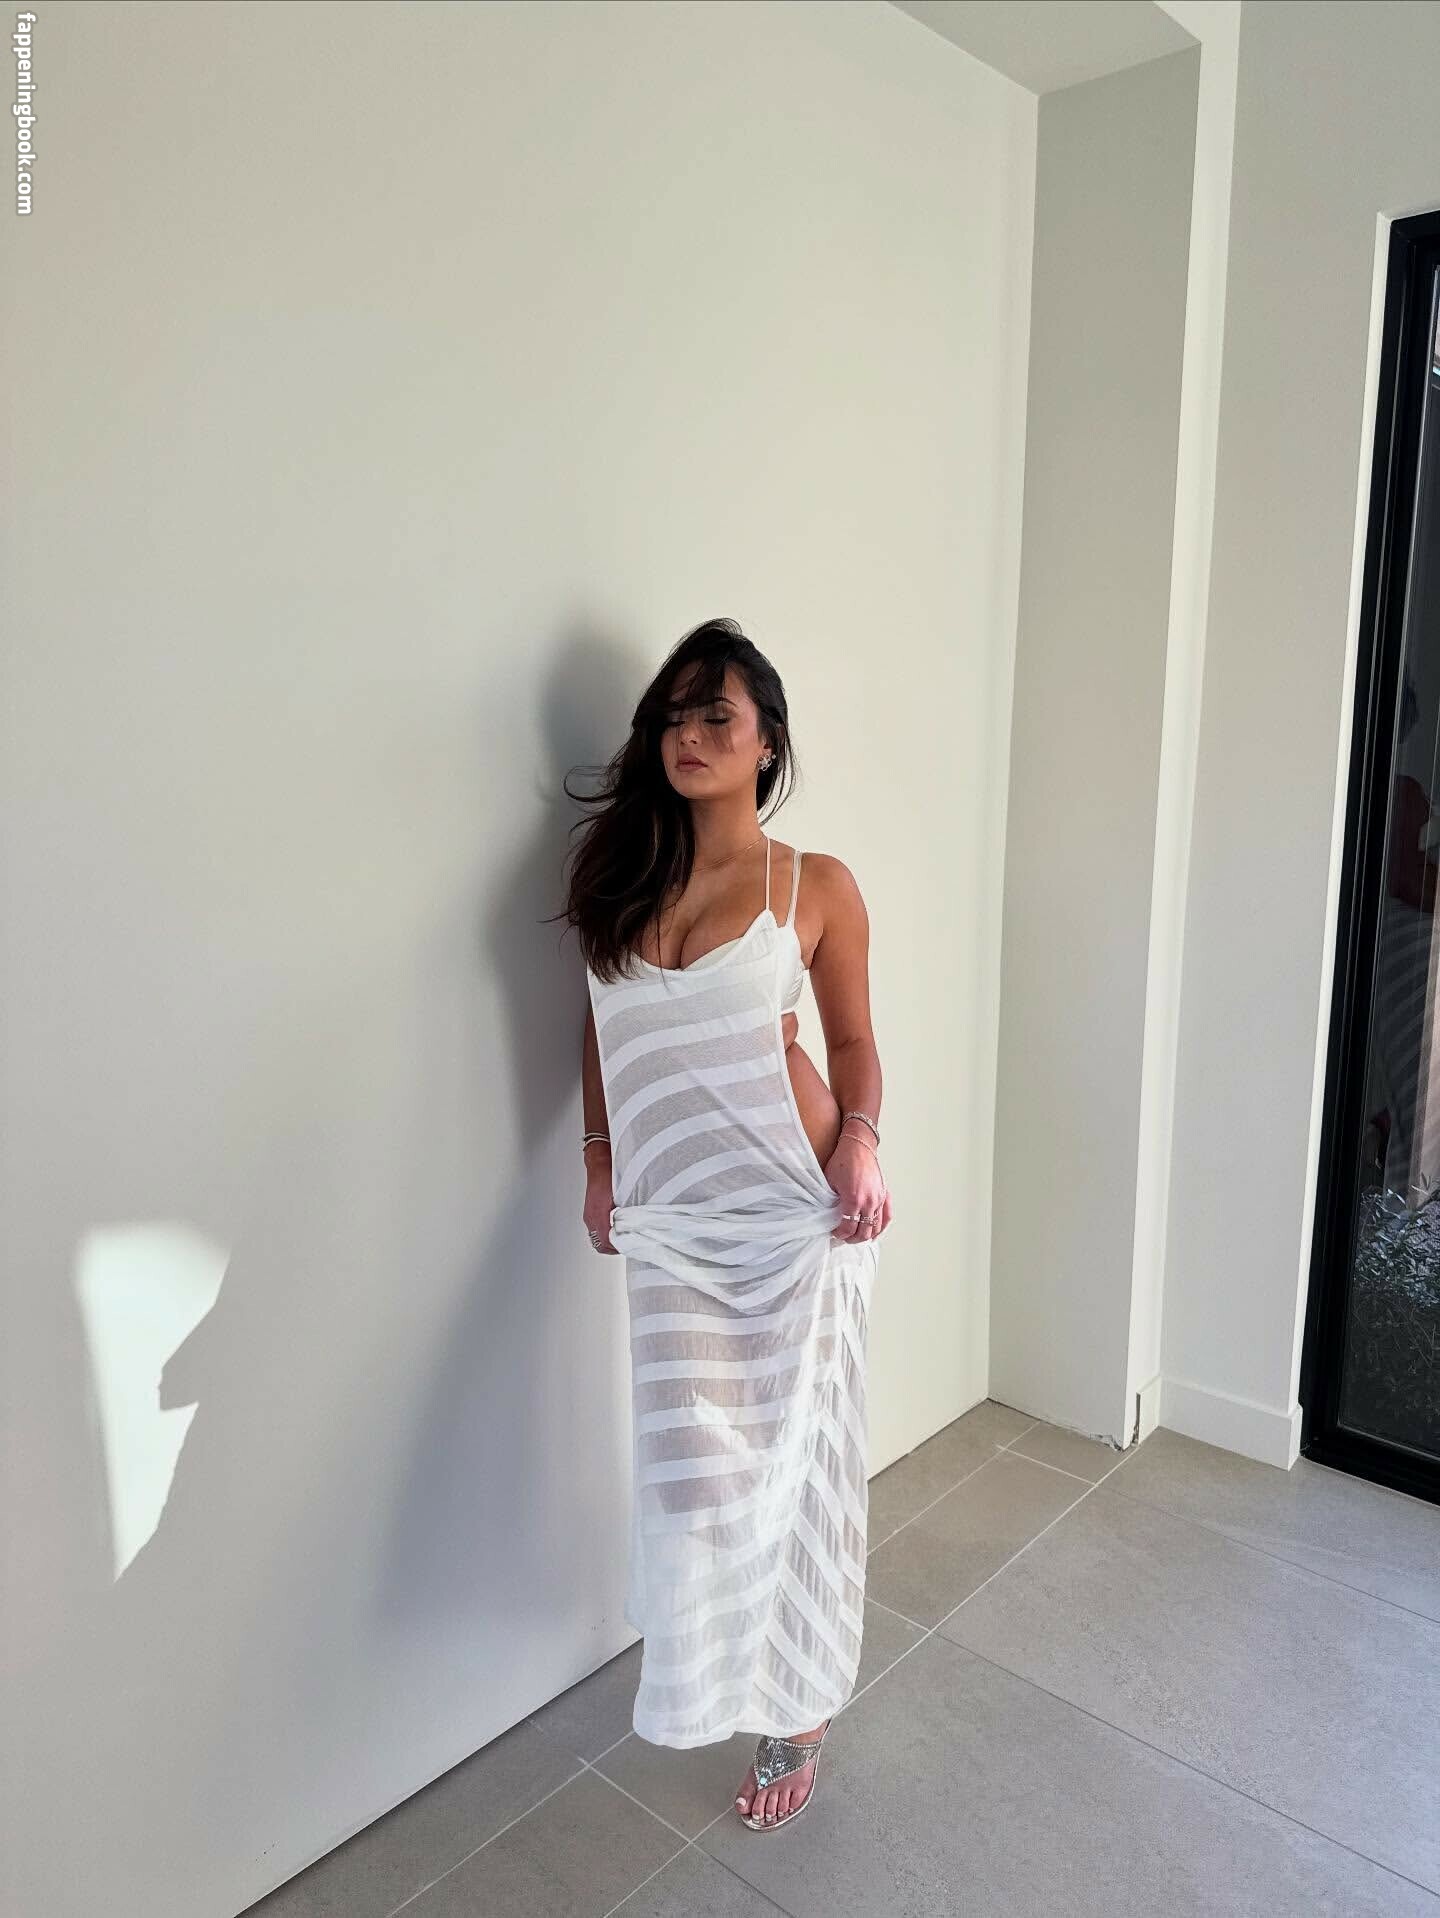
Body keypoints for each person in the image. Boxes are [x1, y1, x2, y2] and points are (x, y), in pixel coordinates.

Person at [556, 616, 893, 1832]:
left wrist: (861, 1141)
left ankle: (797, 1704)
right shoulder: (620, 880)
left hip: (796, 1212)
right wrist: (601, 1163)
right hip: (676, 1223)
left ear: (766, 743)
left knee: (797, 1465)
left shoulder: (815, 885)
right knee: (704, 1478)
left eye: (717, 717)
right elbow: (600, 1030)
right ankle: (723, 1671)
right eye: (673, 717)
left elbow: (850, 1041)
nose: (690, 736)